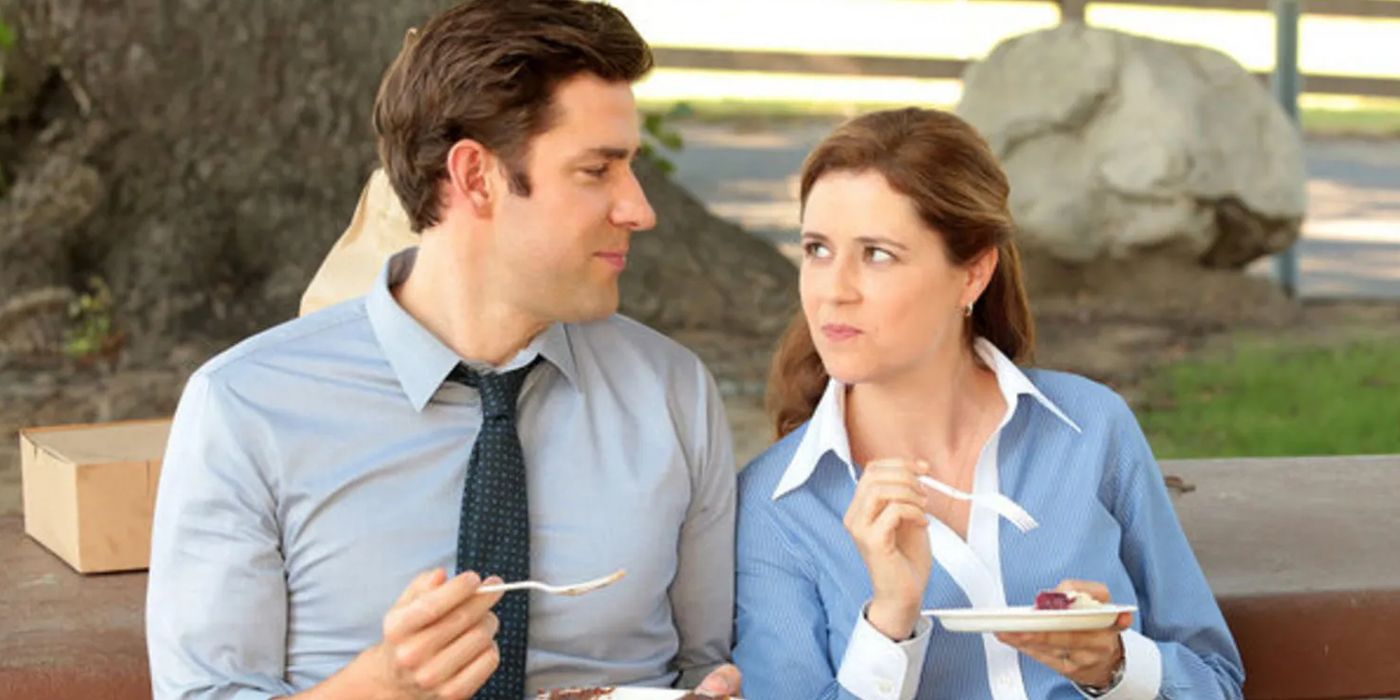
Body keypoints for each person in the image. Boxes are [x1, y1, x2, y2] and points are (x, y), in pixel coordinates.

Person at [145, 2, 740, 698]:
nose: (640, 208)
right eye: (596, 170)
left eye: (629, 168)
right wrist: (383, 688)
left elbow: (712, 662)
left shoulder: (672, 394)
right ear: (476, 177)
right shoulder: (246, 408)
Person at [731, 108, 1243, 699]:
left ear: (972, 274)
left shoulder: (1091, 430)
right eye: (817, 249)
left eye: (876, 254)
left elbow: (1216, 683)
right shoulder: (776, 507)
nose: (833, 289)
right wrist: (889, 621)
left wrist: (1115, 665)